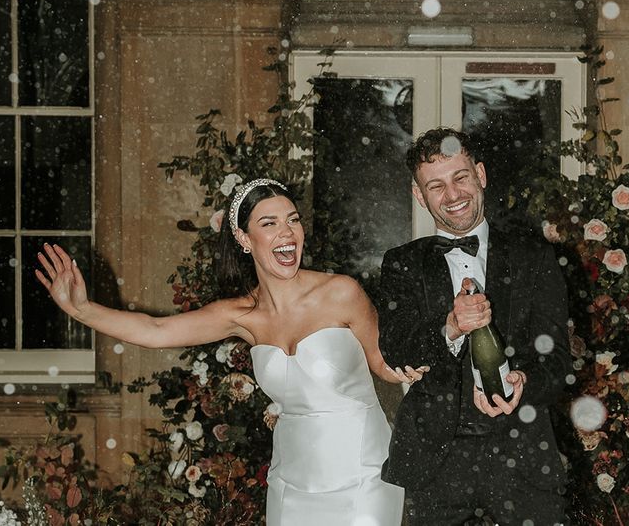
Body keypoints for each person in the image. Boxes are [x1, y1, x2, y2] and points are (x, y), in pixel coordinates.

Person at [36, 178, 427, 526]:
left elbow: (383, 363)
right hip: (292, 482)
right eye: (269, 223)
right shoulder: (241, 315)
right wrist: (82, 310)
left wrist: (411, 365)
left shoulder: (342, 292)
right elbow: (156, 330)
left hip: (363, 472)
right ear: (243, 239)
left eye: (292, 219)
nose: (287, 233)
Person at [372, 128, 570, 526]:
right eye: (436, 185)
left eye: (460, 177)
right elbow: (396, 348)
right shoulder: (402, 263)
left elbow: (559, 365)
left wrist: (523, 380)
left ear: (480, 174)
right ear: (420, 196)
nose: (453, 195)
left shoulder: (534, 256)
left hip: (524, 460)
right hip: (435, 465)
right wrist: (450, 327)